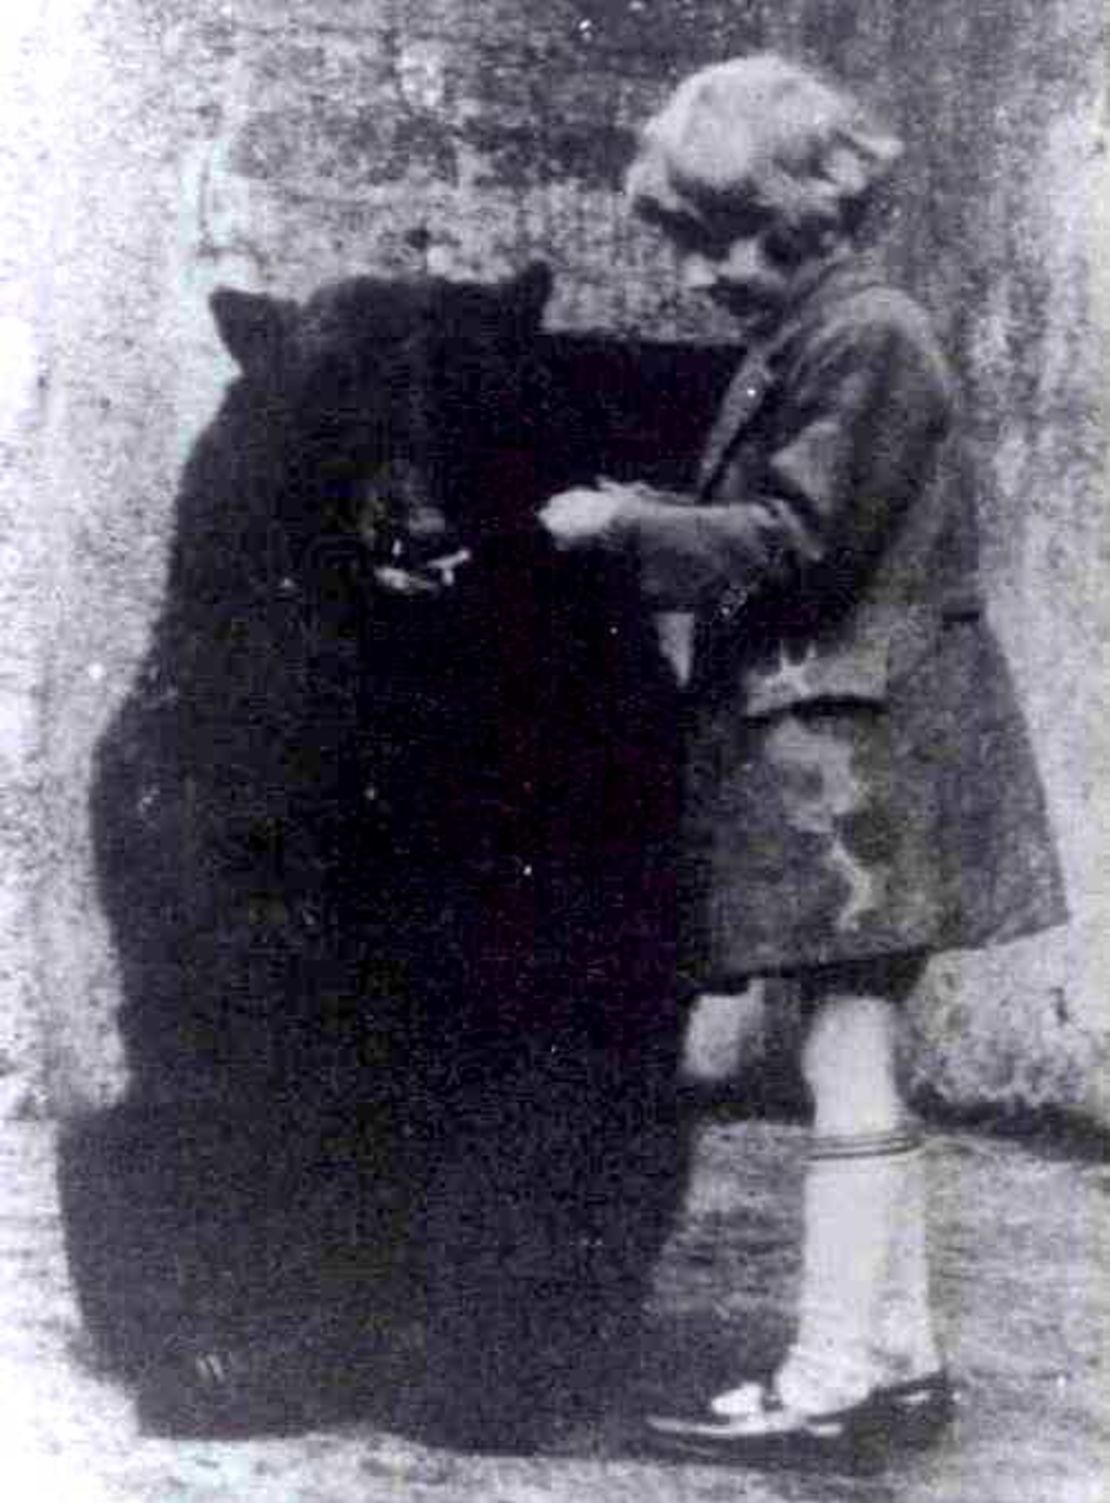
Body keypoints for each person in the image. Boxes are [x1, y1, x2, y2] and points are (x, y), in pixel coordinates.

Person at [539, 53, 1066, 1464]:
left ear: (806, 208)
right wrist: (654, 507)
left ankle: (832, 1373)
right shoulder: (827, 331)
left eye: (720, 241)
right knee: (857, 1057)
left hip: (860, 760)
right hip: (847, 756)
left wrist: (618, 529)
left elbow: (792, 539)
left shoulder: (865, 337)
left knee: (844, 1061)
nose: (701, 277)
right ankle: (896, 1359)